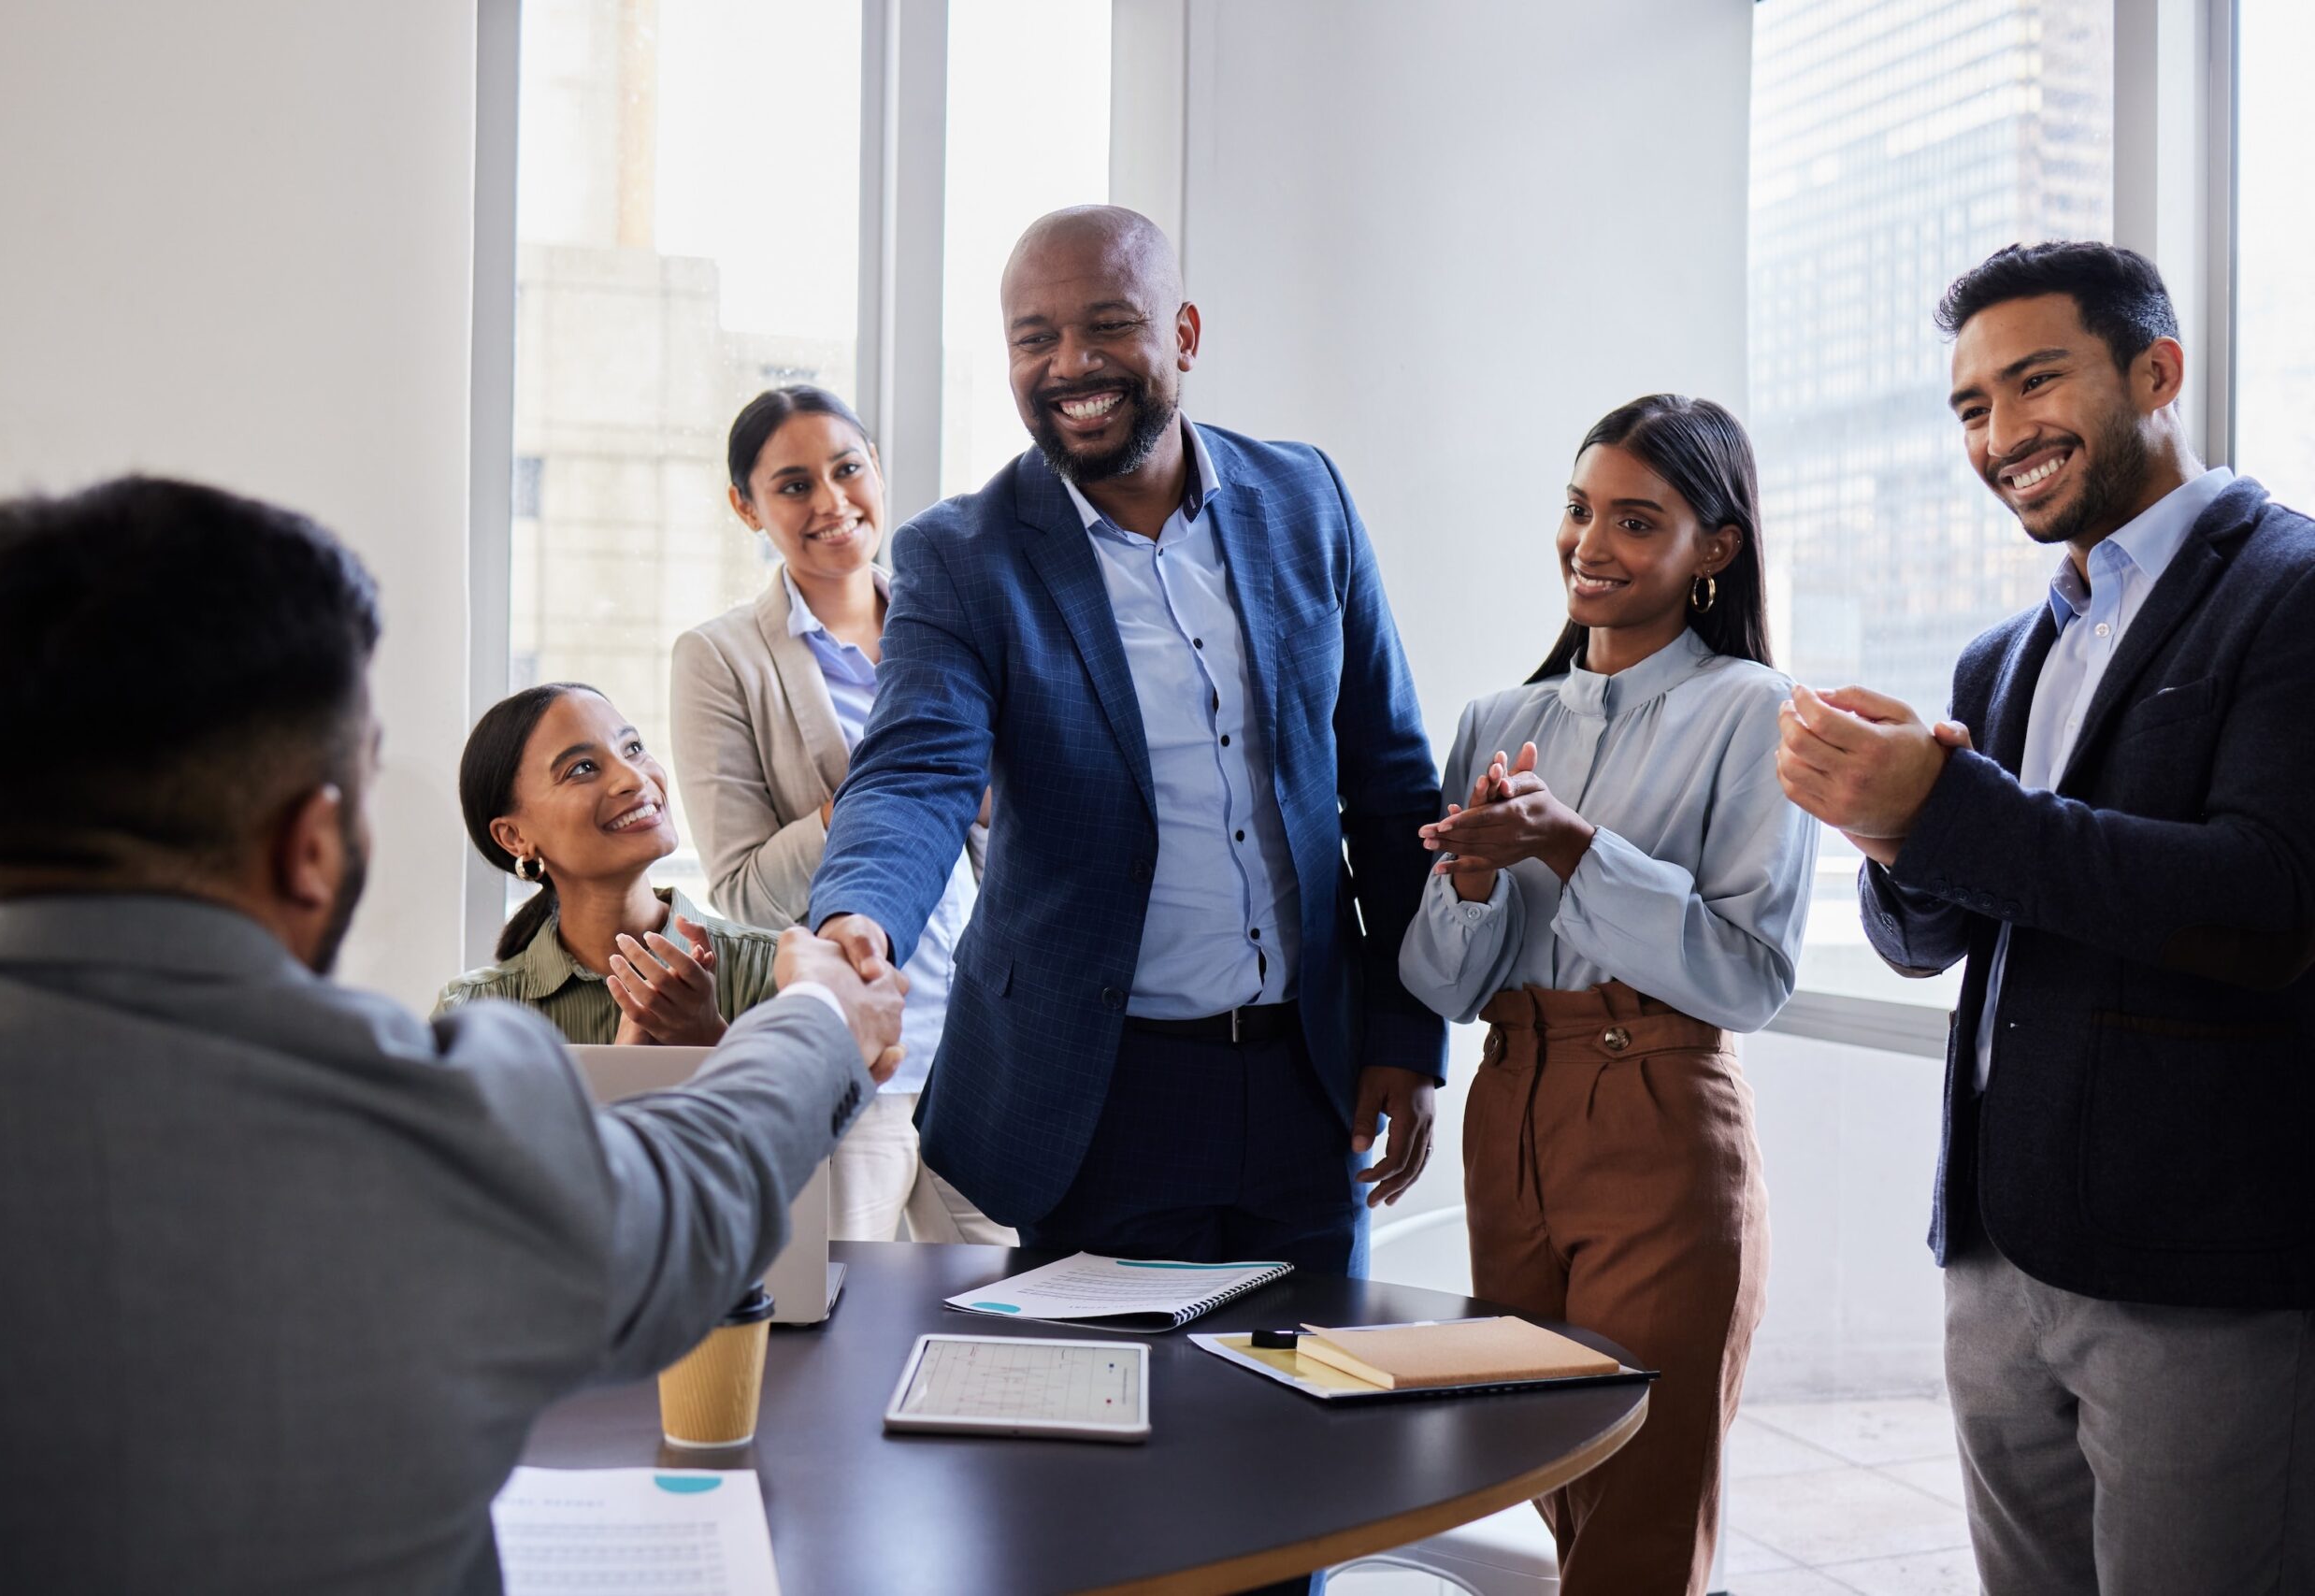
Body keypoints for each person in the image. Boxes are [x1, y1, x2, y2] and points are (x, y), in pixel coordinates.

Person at [0, 476, 906, 1594]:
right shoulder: (411, 1100)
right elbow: (685, 1200)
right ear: (311, 846)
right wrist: (818, 1012)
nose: (632, 778)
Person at [1776, 241, 2315, 1593]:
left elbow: (2268, 902)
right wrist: (1891, 831)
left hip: (2196, 1267)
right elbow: (1935, 937)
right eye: (1969, 407)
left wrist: (1951, 809)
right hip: (1997, 1256)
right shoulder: (2000, 653)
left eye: (2035, 382)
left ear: (2157, 371)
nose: (2003, 435)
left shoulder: (2291, 588)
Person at [808, 206, 1447, 1277]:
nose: (1071, 365)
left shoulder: (1305, 500)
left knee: (1308, 1421)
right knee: (1104, 1427)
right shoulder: (961, 557)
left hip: (1308, 1083)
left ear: (1183, 335)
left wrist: (1403, 1033)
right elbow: (916, 769)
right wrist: (855, 920)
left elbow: (1388, 788)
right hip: (1095, 1093)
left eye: (1108, 326)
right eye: (1034, 339)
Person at [1399, 395, 1817, 1595]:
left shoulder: (1756, 711)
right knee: (1550, 1472)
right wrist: (1472, 881)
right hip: (1507, 1106)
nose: (1591, 543)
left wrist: (1579, 850)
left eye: (1637, 520)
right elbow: (1439, 982)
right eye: (1580, 509)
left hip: (1657, 1111)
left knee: (1639, 1503)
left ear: (1716, 547)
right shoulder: (1499, 718)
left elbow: (1750, 974)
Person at [669, 384, 1011, 1244]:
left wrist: (982, 800)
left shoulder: (950, 629)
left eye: (847, 468)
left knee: (1015, 1311)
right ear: (745, 505)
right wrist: (872, 797)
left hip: (979, 1053)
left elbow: (1007, 843)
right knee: (842, 1329)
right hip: (857, 1061)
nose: (830, 502)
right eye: (791, 485)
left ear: (878, 473)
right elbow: (743, 888)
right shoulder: (721, 659)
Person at [435, 681, 779, 1046]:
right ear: (514, 837)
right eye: (582, 768)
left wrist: (708, 1038)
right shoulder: (471, 1015)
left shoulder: (776, 970)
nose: (634, 778)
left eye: (633, 748)